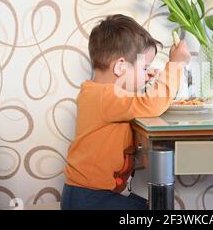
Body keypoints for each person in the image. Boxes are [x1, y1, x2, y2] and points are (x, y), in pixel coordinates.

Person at [61, 14, 191, 210]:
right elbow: (153, 104)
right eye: (144, 66)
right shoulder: (106, 96)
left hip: (89, 195)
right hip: (89, 199)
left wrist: (143, 77)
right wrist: (175, 64)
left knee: (152, 206)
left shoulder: (100, 94)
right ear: (121, 67)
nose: (147, 72)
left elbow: (141, 104)